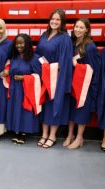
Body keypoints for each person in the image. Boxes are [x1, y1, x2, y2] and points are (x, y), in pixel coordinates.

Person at [35, 8, 73, 149]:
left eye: (58, 19)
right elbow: (38, 54)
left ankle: (52, 135)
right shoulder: (44, 35)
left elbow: (65, 61)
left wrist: (53, 69)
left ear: (62, 22)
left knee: (54, 105)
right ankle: (44, 134)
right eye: (53, 19)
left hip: (56, 78)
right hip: (44, 76)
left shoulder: (65, 38)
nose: (55, 21)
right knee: (45, 105)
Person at [63, 18, 100, 149]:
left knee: (81, 112)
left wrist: (77, 65)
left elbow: (94, 69)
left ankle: (79, 138)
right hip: (72, 84)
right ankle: (70, 135)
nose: (78, 29)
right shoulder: (72, 43)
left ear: (87, 30)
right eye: (76, 27)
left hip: (85, 87)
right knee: (71, 111)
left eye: (81, 27)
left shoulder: (90, 47)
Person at [5, 34, 42, 144]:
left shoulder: (34, 58)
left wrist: (24, 78)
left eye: (21, 43)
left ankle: (24, 133)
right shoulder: (14, 57)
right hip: (15, 89)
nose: (18, 46)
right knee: (16, 110)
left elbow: (39, 76)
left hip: (27, 89)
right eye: (17, 43)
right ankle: (16, 131)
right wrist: (6, 73)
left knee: (25, 111)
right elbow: (10, 70)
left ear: (27, 44)